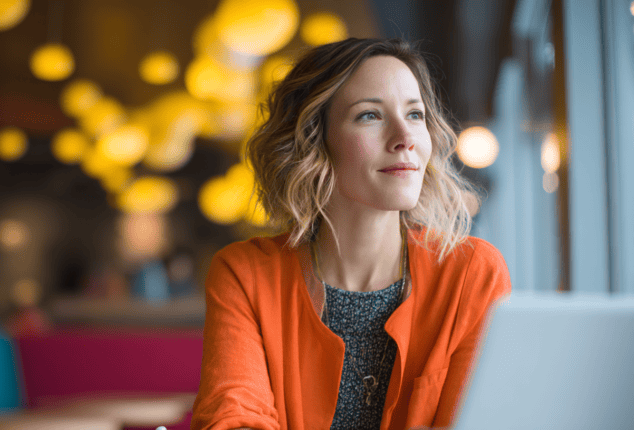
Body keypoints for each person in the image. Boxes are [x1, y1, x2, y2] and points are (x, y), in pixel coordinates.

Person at [190, 38, 511, 430]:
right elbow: (233, 418)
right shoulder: (246, 275)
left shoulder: (472, 273)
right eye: (369, 115)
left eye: (415, 114)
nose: (405, 137)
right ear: (313, 141)